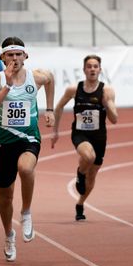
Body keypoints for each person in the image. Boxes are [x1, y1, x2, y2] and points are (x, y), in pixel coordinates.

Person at [0, 36, 55, 262]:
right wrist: (7, 86)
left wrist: (50, 109)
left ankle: (26, 212)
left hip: (28, 139)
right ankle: (8, 235)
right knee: (5, 196)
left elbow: (51, 80)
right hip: (3, 144)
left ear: (26, 56)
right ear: (2, 57)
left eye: (18, 54)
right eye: (10, 55)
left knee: (26, 169)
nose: (14, 58)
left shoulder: (37, 77)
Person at [51, 55, 118, 221]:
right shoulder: (74, 89)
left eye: (95, 66)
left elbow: (114, 119)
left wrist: (107, 103)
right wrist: (55, 131)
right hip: (80, 133)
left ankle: (80, 203)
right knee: (89, 156)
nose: (92, 69)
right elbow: (59, 107)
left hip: (99, 136)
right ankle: (80, 173)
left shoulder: (107, 91)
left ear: (100, 70)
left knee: (93, 175)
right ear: (84, 70)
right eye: (89, 66)